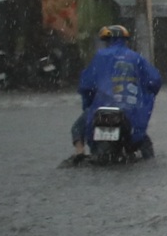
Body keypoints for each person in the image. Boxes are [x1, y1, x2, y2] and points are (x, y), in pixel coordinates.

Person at [69, 25, 162, 161]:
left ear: (108, 41)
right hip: (129, 110)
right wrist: (143, 94)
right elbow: (154, 81)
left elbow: (86, 85)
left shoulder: (100, 57)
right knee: (140, 136)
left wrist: (88, 104)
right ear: (125, 40)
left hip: (102, 108)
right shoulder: (135, 58)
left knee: (77, 128)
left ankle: (79, 151)